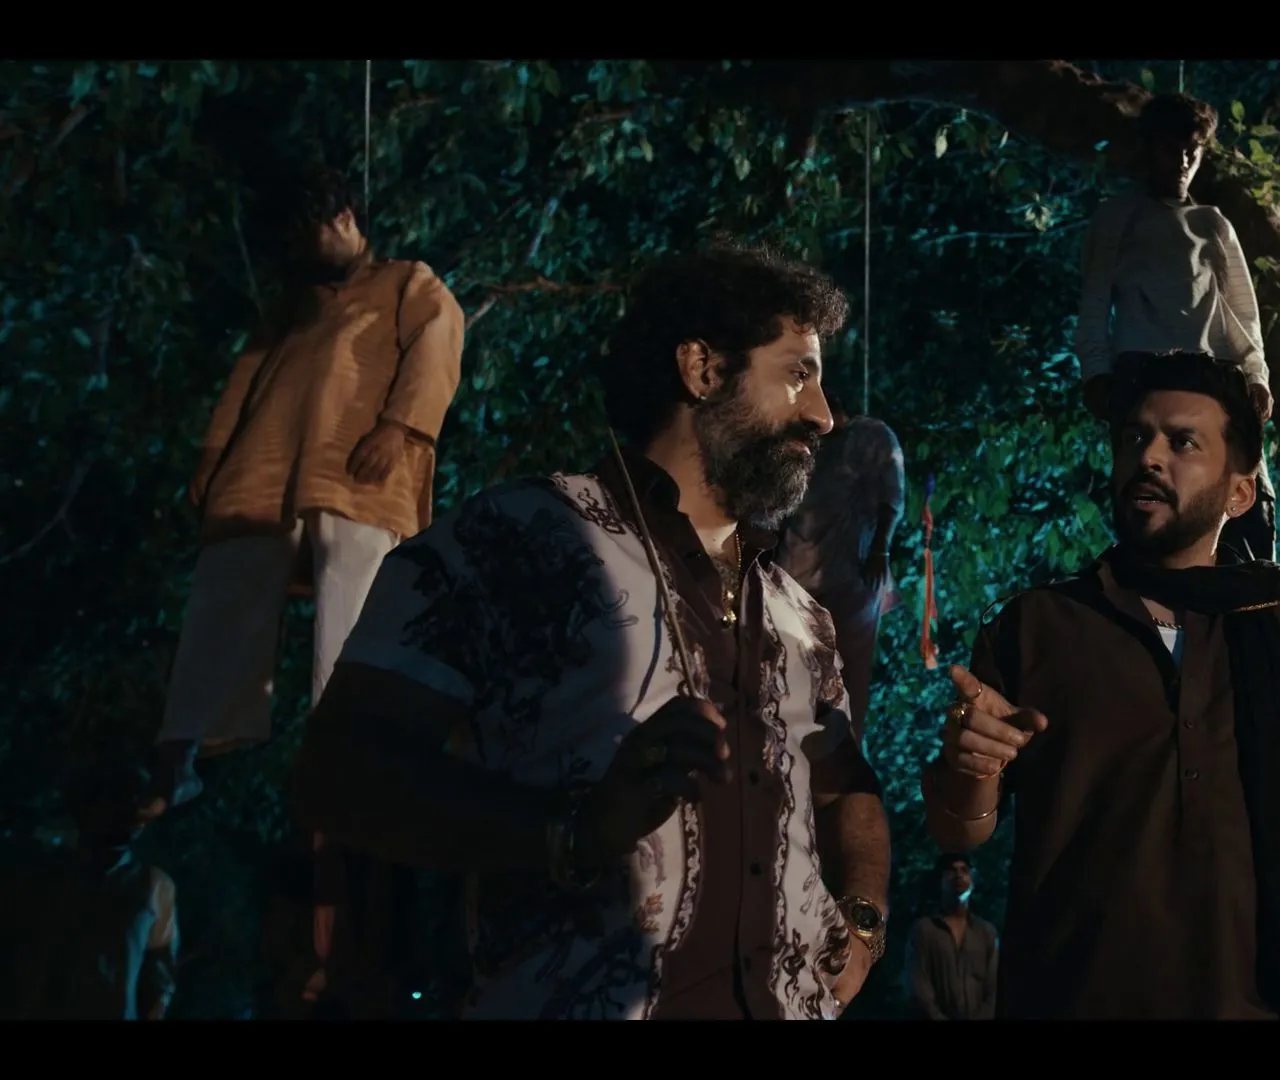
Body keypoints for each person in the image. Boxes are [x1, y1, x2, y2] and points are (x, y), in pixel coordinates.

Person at [291, 241, 892, 1020]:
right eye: (798, 374)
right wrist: (571, 830)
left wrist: (865, 921)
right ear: (703, 370)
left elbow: (846, 789)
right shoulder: (512, 542)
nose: (823, 415)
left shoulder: (800, 615)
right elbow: (338, 772)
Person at [923, 353, 1280, 1019]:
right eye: (1136, 437)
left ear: (1239, 493)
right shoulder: (1037, 626)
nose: (1149, 457)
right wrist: (971, 767)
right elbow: (957, 832)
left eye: (1182, 442)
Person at [150, 163, 466, 812]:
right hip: (263, 463)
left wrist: (399, 427)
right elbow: (244, 378)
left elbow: (437, 346)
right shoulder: (291, 310)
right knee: (229, 581)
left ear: (344, 220)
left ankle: (344, 749)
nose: (300, 250)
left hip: (356, 465)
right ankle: (182, 747)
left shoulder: (407, 281)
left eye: (309, 233)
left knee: (355, 595)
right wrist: (211, 454)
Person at [1076, 92, 1278, 563]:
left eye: (1193, 151)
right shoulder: (1119, 217)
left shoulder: (1212, 223)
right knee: (1154, 495)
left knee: (1243, 496)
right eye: (1172, 149)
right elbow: (1094, 300)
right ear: (1149, 148)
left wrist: (1256, 376)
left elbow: (1242, 312)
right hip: (1142, 370)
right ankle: (1154, 598)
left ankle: (1248, 595)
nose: (1183, 162)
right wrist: (1095, 372)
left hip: (1214, 372)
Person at [0, 761, 178, 1019]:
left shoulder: (154, 885)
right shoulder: (42, 872)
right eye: (121, 804)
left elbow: (159, 977)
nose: (136, 818)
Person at [774, 397, 906, 740]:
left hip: (851, 578)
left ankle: (847, 752)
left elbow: (893, 497)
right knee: (794, 679)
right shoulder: (800, 444)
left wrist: (880, 549)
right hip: (796, 581)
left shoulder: (871, 436)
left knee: (848, 679)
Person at [904, 853, 998, 1020]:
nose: (958, 875)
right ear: (940, 881)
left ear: (972, 880)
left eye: (964, 870)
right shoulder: (925, 930)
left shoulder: (986, 932)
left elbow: (994, 989)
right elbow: (918, 985)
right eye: (951, 871)